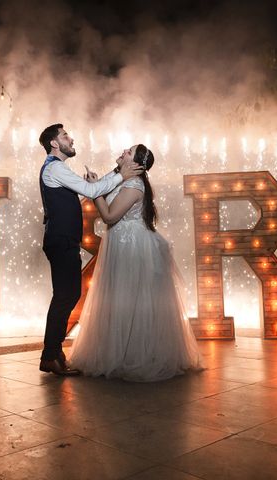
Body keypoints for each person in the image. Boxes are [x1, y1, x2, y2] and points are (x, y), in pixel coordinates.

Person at [69, 144, 203, 382]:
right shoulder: (119, 177)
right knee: (120, 299)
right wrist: (96, 183)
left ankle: (135, 355)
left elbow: (109, 216)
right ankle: (118, 353)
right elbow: (105, 200)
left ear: (137, 164)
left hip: (132, 247)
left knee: (130, 298)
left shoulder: (133, 185)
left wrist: (94, 191)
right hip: (120, 242)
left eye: (129, 152)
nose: (123, 151)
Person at [38, 124, 143, 376]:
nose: (70, 138)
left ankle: (53, 354)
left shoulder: (58, 168)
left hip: (63, 241)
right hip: (61, 241)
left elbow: (92, 189)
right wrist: (122, 174)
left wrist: (118, 172)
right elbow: (94, 191)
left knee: (68, 296)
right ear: (54, 143)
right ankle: (50, 356)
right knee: (65, 297)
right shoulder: (54, 167)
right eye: (65, 136)